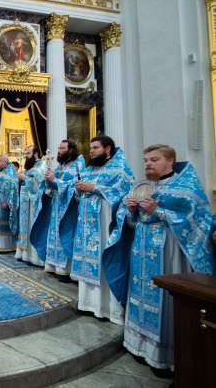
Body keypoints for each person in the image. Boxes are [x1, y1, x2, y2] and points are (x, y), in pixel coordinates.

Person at [122, 144, 215, 371]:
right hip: (141, 248)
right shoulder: (144, 186)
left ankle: (164, 357)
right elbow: (134, 222)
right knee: (140, 292)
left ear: (170, 161)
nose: (148, 164)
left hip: (168, 250)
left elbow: (197, 220)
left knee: (163, 298)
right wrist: (130, 209)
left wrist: (159, 211)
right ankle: (138, 345)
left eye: (154, 159)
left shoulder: (187, 186)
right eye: (145, 160)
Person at [71, 135, 134, 324]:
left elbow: (126, 192)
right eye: (90, 147)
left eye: (96, 147)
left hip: (105, 222)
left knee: (103, 258)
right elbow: (79, 194)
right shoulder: (89, 169)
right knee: (88, 260)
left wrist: (95, 187)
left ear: (107, 149)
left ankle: (109, 309)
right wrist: (79, 190)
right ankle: (88, 303)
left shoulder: (120, 169)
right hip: (86, 224)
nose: (91, 151)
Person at [39, 139, 86, 278]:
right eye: (59, 148)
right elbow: (54, 186)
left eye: (62, 148)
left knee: (66, 234)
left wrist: (56, 180)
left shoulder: (78, 165)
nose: (59, 151)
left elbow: (77, 185)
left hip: (70, 208)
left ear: (71, 150)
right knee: (54, 234)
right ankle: (53, 264)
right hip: (57, 205)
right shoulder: (60, 167)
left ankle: (66, 269)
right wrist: (48, 182)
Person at [15, 145, 46, 265]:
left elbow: (39, 184)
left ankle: (34, 257)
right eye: (25, 153)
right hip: (25, 202)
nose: (26, 156)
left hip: (34, 203)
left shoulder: (42, 165)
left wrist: (25, 178)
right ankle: (24, 253)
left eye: (28, 154)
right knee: (24, 227)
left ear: (36, 153)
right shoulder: (31, 166)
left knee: (32, 227)